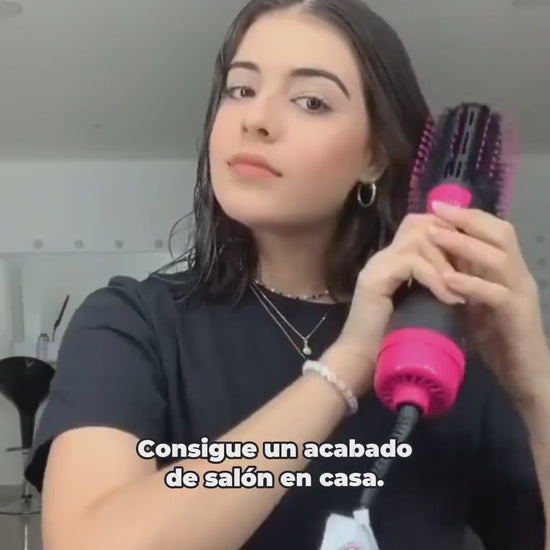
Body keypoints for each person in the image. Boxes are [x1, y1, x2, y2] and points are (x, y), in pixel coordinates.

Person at [24, 1, 549, 549]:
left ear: (373, 157)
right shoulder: (131, 325)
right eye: (241, 89)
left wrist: (537, 386)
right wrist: (345, 366)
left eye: (310, 101)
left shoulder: (446, 343)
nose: (256, 119)